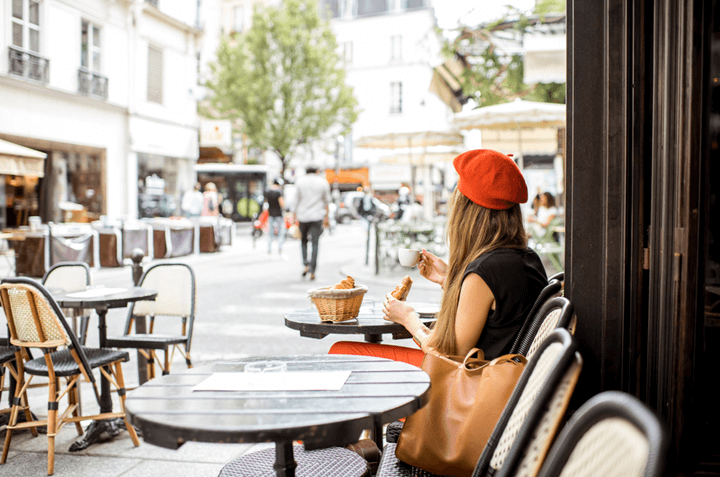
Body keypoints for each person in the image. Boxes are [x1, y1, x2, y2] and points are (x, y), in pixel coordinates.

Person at [293, 165, 331, 280]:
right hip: (317, 216)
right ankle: (313, 271)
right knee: (315, 243)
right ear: (317, 171)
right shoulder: (322, 182)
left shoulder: (300, 182)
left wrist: (294, 216)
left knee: (303, 241)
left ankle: (305, 264)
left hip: (303, 216)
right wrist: (327, 218)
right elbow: (327, 201)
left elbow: (296, 200)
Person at [264, 178, 286, 255]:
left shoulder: (268, 191)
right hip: (279, 215)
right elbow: (282, 204)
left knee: (270, 232)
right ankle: (280, 249)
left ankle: (269, 249)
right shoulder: (279, 192)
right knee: (280, 232)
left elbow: (266, 202)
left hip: (271, 214)